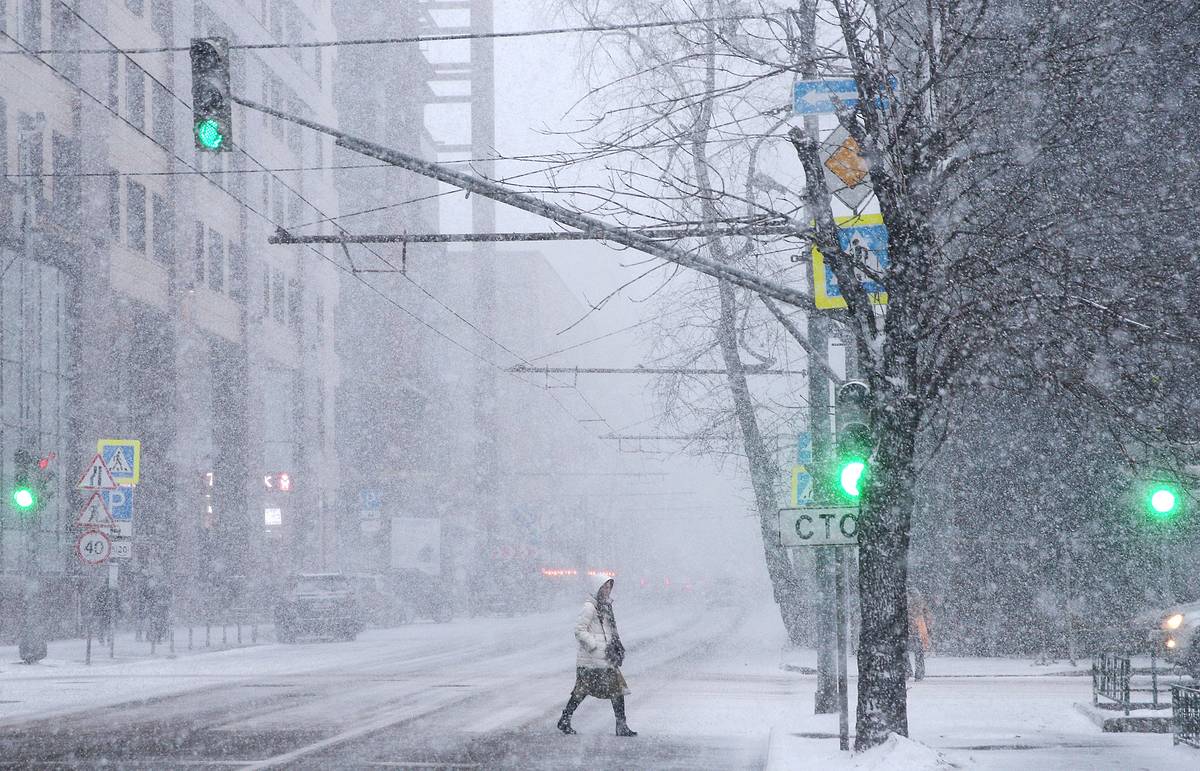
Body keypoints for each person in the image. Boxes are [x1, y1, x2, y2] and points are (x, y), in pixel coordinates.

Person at [557, 574, 636, 737]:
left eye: (609, 587)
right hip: (591, 660)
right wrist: (594, 646)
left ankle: (620, 725)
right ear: (597, 588)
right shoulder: (590, 607)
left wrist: (613, 646)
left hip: (606, 658)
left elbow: (609, 631)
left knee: (615, 690)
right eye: (604, 587)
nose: (607, 590)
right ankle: (565, 719)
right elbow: (579, 630)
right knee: (582, 691)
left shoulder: (605, 606)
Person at [907, 589, 932, 681]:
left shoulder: (905, 605)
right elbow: (928, 617)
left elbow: (928, 617)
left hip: (910, 631)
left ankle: (908, 671)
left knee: (904, 652)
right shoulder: (921, 605)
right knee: (919, 654)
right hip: (918, 630)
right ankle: (919, 674)